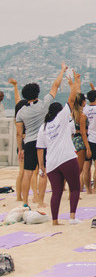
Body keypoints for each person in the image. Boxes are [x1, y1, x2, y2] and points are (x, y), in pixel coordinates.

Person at [36, 68, 82, 225]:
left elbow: (40, 149)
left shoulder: (43, 127)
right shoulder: (62, 118)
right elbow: (71, 100)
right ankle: (72, 217)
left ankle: (55, 220)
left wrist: (42, 167)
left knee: (56, 192)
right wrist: (74, 83)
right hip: (67, 158)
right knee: (75, 188)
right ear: (59, 112)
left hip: (52, 163)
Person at [17, 63, 67, 208]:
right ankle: (40, 201)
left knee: (27, 173)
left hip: (30, 142)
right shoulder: (44, 104)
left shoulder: (21, 112)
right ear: (37, 93)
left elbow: (19, 133)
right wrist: (62, 70)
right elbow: (55, 86)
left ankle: (25, 202)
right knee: (42, 171)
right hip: (44, 142)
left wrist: (21, 149)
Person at [8, 78, 25, 201]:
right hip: (24, 143)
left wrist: (15, 86)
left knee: (22, 172)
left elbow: (17, 101)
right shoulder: (24, 117)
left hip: (21, 144)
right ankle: (23, 196)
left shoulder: (17, 116)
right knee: (27, 172)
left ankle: (19, 196)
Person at [71, 91, 89, 192]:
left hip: (73, 140)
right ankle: (74, 191)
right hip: (80, 141)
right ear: (82, 102)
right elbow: (83, 132)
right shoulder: (81, 116)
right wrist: (88, 147)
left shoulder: (72, 114)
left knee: (74, 168)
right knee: (79, 169)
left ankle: (71, 190)